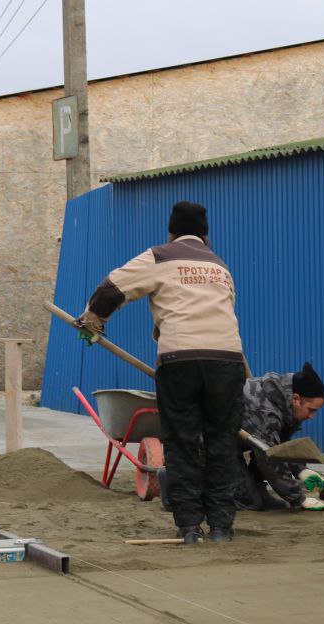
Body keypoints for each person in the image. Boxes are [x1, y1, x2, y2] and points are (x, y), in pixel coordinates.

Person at [78, 201, 246, 545]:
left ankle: (188, 528)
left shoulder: (161, 256)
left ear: (171, 232)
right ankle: (221, 527)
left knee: (182, 442)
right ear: (206, 235)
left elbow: (113, 287)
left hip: (180, 359)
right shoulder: (220, 266)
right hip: (228, 362)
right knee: (222, 443)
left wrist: (93, 321)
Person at [236, 362, 324, 512]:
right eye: (311, 410)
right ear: (296, 399)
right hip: (206, 446)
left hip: (235, 443)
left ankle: (258, 491)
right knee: (249, 501)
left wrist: (301, 470)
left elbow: (280, 446)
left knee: (259, 498)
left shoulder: (282, 400)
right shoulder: (264, 410)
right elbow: (270, 458)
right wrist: (299, 499)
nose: (312, 416)